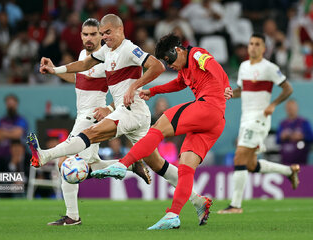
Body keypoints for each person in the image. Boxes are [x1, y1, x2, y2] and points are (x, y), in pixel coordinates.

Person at [28, 14, 213, 226]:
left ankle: (45, 156)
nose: (104, 36)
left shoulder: (129, 48)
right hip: (131, 114)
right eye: (102, 33)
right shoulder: (106, 51)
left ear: (120, 30)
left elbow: (158, 67)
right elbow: (84, 64)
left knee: (91, 133)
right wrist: (55, 69)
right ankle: (198, 200)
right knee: (158, 164)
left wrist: (135, 86)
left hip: (130, 112)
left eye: (107, 32)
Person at [91, 33, 232, 230]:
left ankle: (122, 165)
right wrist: (153, 91)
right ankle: (174, 215)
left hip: (208, 107)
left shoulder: (196, 54)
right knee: (185, 168)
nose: (168, 65)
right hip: (215, 123)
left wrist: (226, 85)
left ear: (179, 50)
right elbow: (177, 84)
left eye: (168, 59)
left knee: (158, 128)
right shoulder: (185, 69)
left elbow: (214, 66)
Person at [36, 18, 151, 226]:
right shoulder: (83, 55)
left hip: (92, 116)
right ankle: (131, 166)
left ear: (102, 35)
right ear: (80, 36)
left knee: (66, 164)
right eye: (85, 34)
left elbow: (120, 89)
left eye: (94, 34)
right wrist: (56, 70)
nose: (89, 38)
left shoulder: (106, 58)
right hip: (82, 113)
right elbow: (79, 79)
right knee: (90, 165)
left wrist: (108, 109)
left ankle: (72, 216)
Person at [217, 33, 298, 214]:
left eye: (257, 44)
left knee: (239, 157)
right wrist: (229, 94)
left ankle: (235, 206)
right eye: (251, 44)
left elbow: (288, 88)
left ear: (263, 48)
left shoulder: (269, 68)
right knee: (251, 165)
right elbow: (242, 90)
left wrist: (273, 104)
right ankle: (289, 171)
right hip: (246, 118)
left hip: (259, 118)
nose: (252, 47)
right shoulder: (244, 66)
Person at [0, 94, 28, 162]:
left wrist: (2, 132)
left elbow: (17, 134)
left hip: (15, 157)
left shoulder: (21, 120)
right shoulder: (2, 120)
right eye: (8, 104)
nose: (10, 106)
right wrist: (11, 132)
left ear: (16, 104)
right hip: (1, 156)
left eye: (12, 104)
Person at [277, 99, 313, 165]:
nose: (290, 110)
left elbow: (311, 137)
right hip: (285, 161)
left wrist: (302, 136)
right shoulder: (283, 123)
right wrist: (282, 136)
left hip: (301, 161)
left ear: (297, 108)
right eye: (289, 108)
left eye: (292, 108)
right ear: (286, 109)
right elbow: (277, 140)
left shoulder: (304, 122)